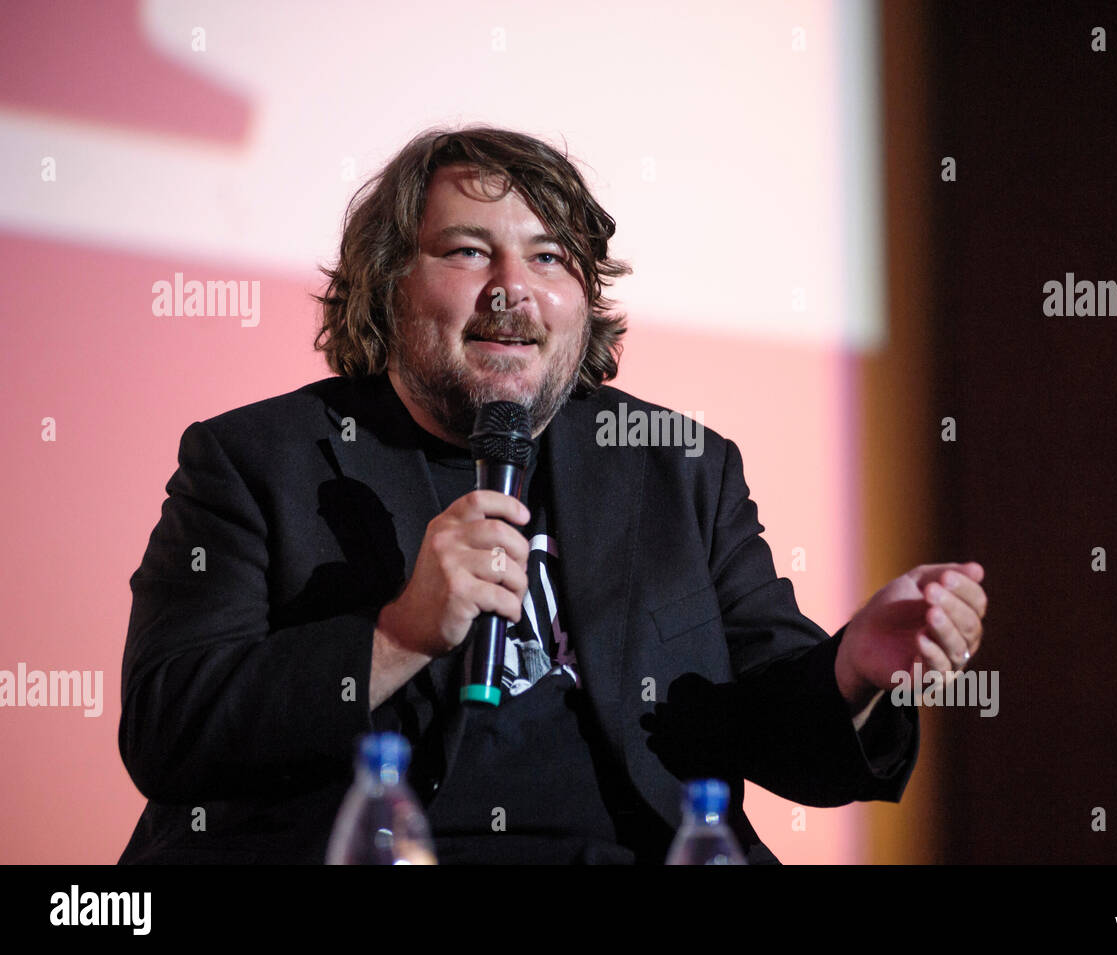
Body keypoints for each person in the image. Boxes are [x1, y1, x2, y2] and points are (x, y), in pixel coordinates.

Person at [118, 125, 987, 864]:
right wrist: (397, 635)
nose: (514, 288)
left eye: (550, 257)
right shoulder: (254, 459)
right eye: (467, 250)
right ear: (388, 284)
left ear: (584, 300)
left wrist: (854, 671)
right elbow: (171, 729)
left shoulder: (676, 465)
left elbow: (777, 737)